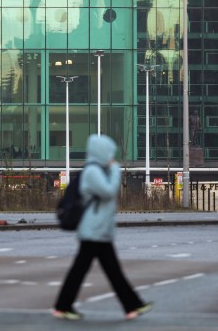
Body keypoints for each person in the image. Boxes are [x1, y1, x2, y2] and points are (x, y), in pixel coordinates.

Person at [53, 134, 153, 321]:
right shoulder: (93, 171)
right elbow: (108, 192)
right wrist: (115, 169)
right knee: (100, 270)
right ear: (101, 152)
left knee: (101, 270)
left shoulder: (96, 170)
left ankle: (131, 305)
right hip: (94, 230)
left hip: (98, 229)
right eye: (109, 153)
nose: (111, 157)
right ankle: (131, 305)